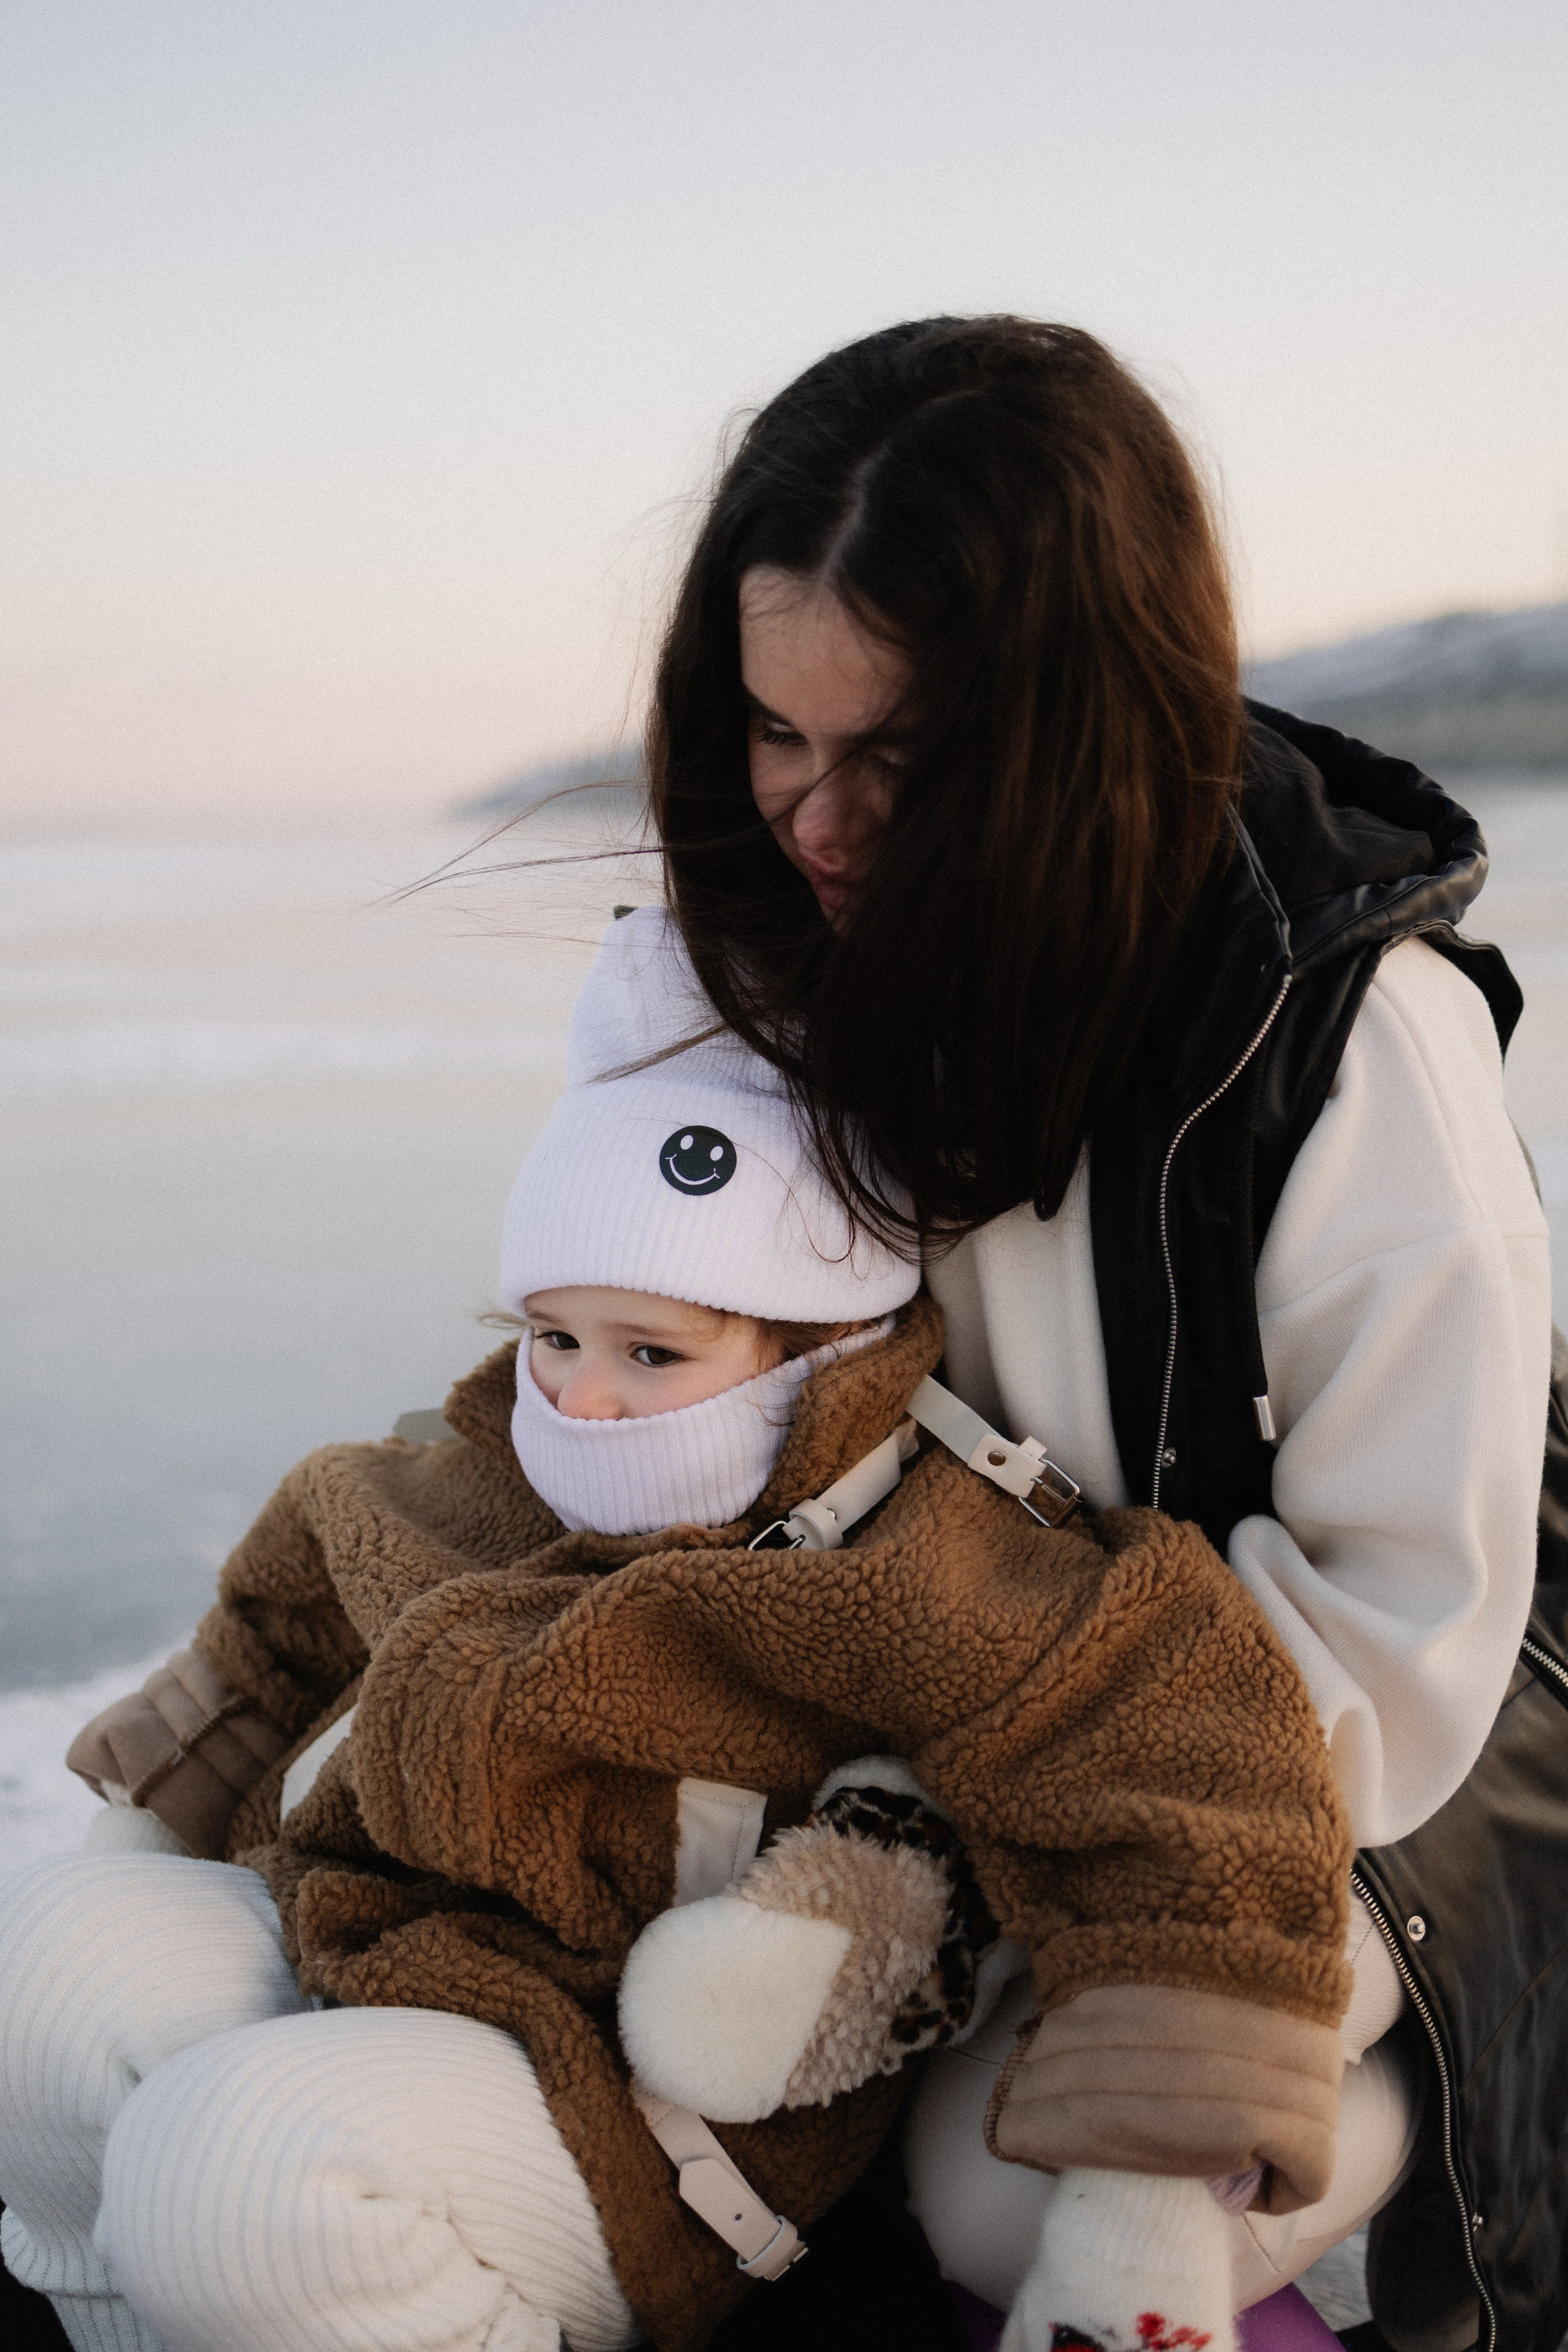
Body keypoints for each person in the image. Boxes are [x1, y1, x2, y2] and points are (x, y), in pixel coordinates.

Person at [0, 908, 1357, 2352]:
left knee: (242, 2175)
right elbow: (294, 1599)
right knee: (60, 1972)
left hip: (654, 2113)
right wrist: (159, 1817)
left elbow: (1177, 1773)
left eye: (653, 1354)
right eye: (556, 1338)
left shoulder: (920, 1553)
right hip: (389, 1950)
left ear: (807, 1340)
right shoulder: (484, 1470)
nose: (581, 1398)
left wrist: (1136, 2218)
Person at [641, 315, 1555, 2337]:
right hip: (938, 1771)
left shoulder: (1345, 1048)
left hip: (1327, 1796)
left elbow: (1408, 1649)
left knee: (987, 2194)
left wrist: (973, 1842)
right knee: (665, 2040)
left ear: (1081, 716)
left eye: (895, 752)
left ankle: (1375, 2197)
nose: (814, 816)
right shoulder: (814, 976)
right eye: (776, 733)